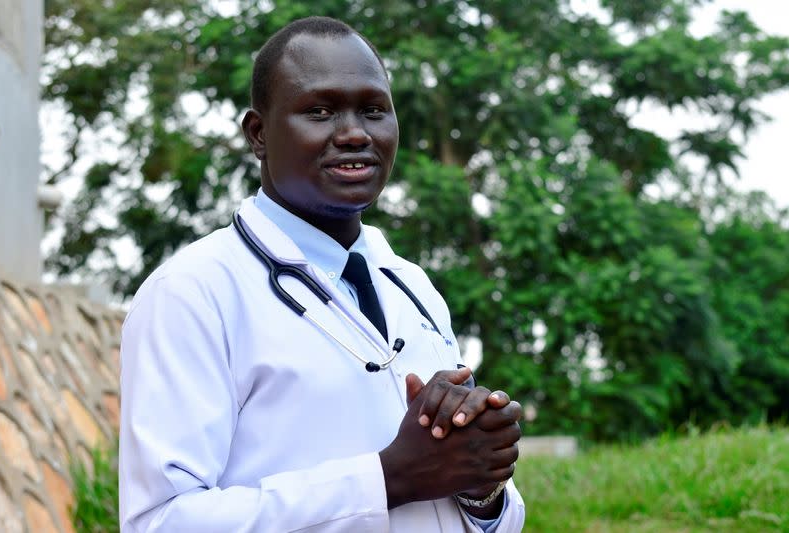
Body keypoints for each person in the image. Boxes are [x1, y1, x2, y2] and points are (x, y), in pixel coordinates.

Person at [119, 16, 525, 532]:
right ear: (259, 133)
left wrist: (480, 483)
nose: (355, 133)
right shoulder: (192, 293)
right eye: (320, 110)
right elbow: (161, 521)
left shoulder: (413, 285)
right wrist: (388, 480)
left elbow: (476, 510)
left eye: (374, 110)